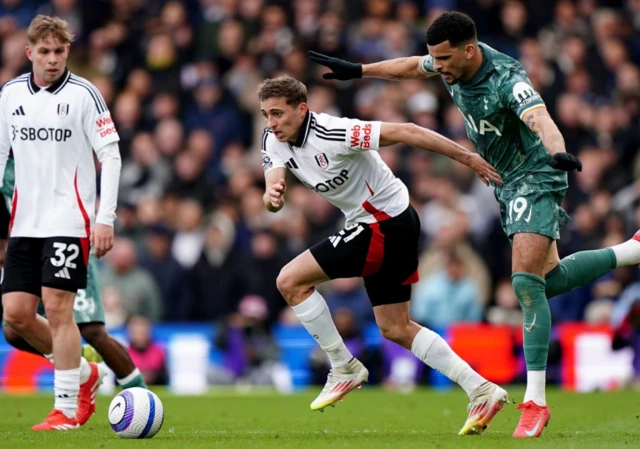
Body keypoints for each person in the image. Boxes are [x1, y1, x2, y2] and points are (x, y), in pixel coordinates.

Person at [308, 11, 640, 437]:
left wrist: (558, 151)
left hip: (536, 174)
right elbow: (413, 66)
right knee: (546, 281)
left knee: (523, 283)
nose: (438, 66)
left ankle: (535, 402)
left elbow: (540, 118)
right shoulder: (450, 63)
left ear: (469, 50)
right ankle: (631, 251)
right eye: (436, 59)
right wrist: (360, 71)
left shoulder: (507, 78)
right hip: (503, 182)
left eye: (444, 59)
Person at [259, 74, 507, 435]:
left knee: (290, 281)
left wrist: (467, 157)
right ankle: (481, 390)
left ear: (302, 108)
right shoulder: (273, 139)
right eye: (266, 114)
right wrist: (272, 197)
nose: (271, 123)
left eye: (278, 113)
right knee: (395, 327)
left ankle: (343, 366)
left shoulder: (335, 132)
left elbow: (407, 131)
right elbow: (270, 190)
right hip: (388, 223)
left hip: (385, 224)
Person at [0, 15, 122, 430]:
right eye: (44, 52)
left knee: (57, 308)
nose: (52, 60)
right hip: (24, 223)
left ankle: (67, 409)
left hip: (70, 220)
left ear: (67, 51)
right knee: (15, 316)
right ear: (29, 52)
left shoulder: (86, 94)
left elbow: (111, 155)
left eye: (59, 51)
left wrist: (105, 218)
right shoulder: (11, 94)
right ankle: (83, 372)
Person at [0, 157, 147, 399]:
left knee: (92, 330)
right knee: (14, 329)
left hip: (64, 238)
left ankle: (140, 395)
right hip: (25, 248)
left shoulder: (41, 145)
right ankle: (81, 365)